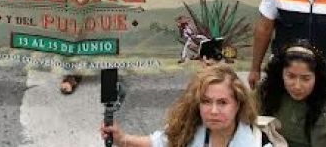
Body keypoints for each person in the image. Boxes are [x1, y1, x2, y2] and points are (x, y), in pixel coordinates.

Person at [102, 63, 261, 147]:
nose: (213, 111)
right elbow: (157, 144)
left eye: (222, 102)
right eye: (206, 101)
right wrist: (121, 139)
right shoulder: (188, 130)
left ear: (238, 104)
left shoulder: (258, 143)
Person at [257, 44, 326, 147]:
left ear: (317, 77)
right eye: (291, 76)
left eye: (306, 78)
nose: (297, 86)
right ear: (280, 73)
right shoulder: (267, 93)